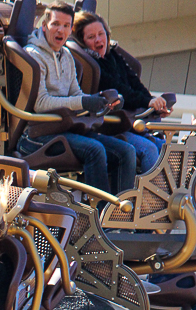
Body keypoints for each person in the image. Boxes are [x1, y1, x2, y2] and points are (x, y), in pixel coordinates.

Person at [17, 1, 136, 196]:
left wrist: (103, 102)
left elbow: (77, 96)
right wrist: (83, 102)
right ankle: (99, 217)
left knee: (126, 151)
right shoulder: (34, 55)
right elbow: (41, 103)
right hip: (37, 134)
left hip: (66, 128)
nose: (60, 30)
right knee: (95, 150)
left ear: (70, 29)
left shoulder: (67, 57)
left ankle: (120, 218)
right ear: (45, 26)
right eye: (55, 24)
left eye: (65, 26)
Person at [73, 10, 169, 174]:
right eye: (91, 37)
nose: (98, 40)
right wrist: (146, 102)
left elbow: (134, 83)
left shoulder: (113, 55)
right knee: (148, 149)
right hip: (110, 128)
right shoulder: (92, 66)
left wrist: (154, 103)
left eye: (101, 34)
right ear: (82, 42)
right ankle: (148, 199)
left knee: (165, 148)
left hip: (129, 125)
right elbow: (119, 90)